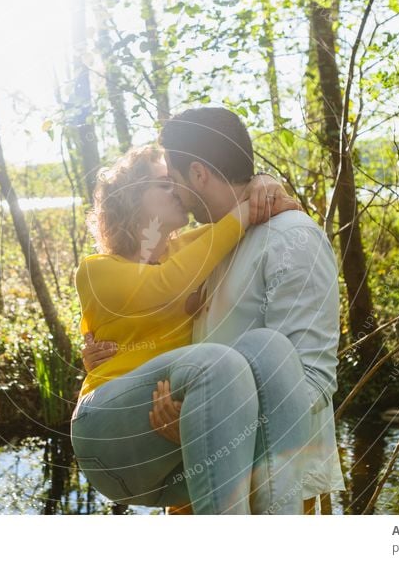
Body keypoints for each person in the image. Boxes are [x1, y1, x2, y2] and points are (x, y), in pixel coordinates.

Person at [82, 107, 345, 514]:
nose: (175, 192)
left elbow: (310, 377)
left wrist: (211, 423)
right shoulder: (205, 245)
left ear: (199, 174)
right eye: (162, 184)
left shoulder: (292, 238)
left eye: (174, 181)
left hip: (273, 483)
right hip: (196, 474)